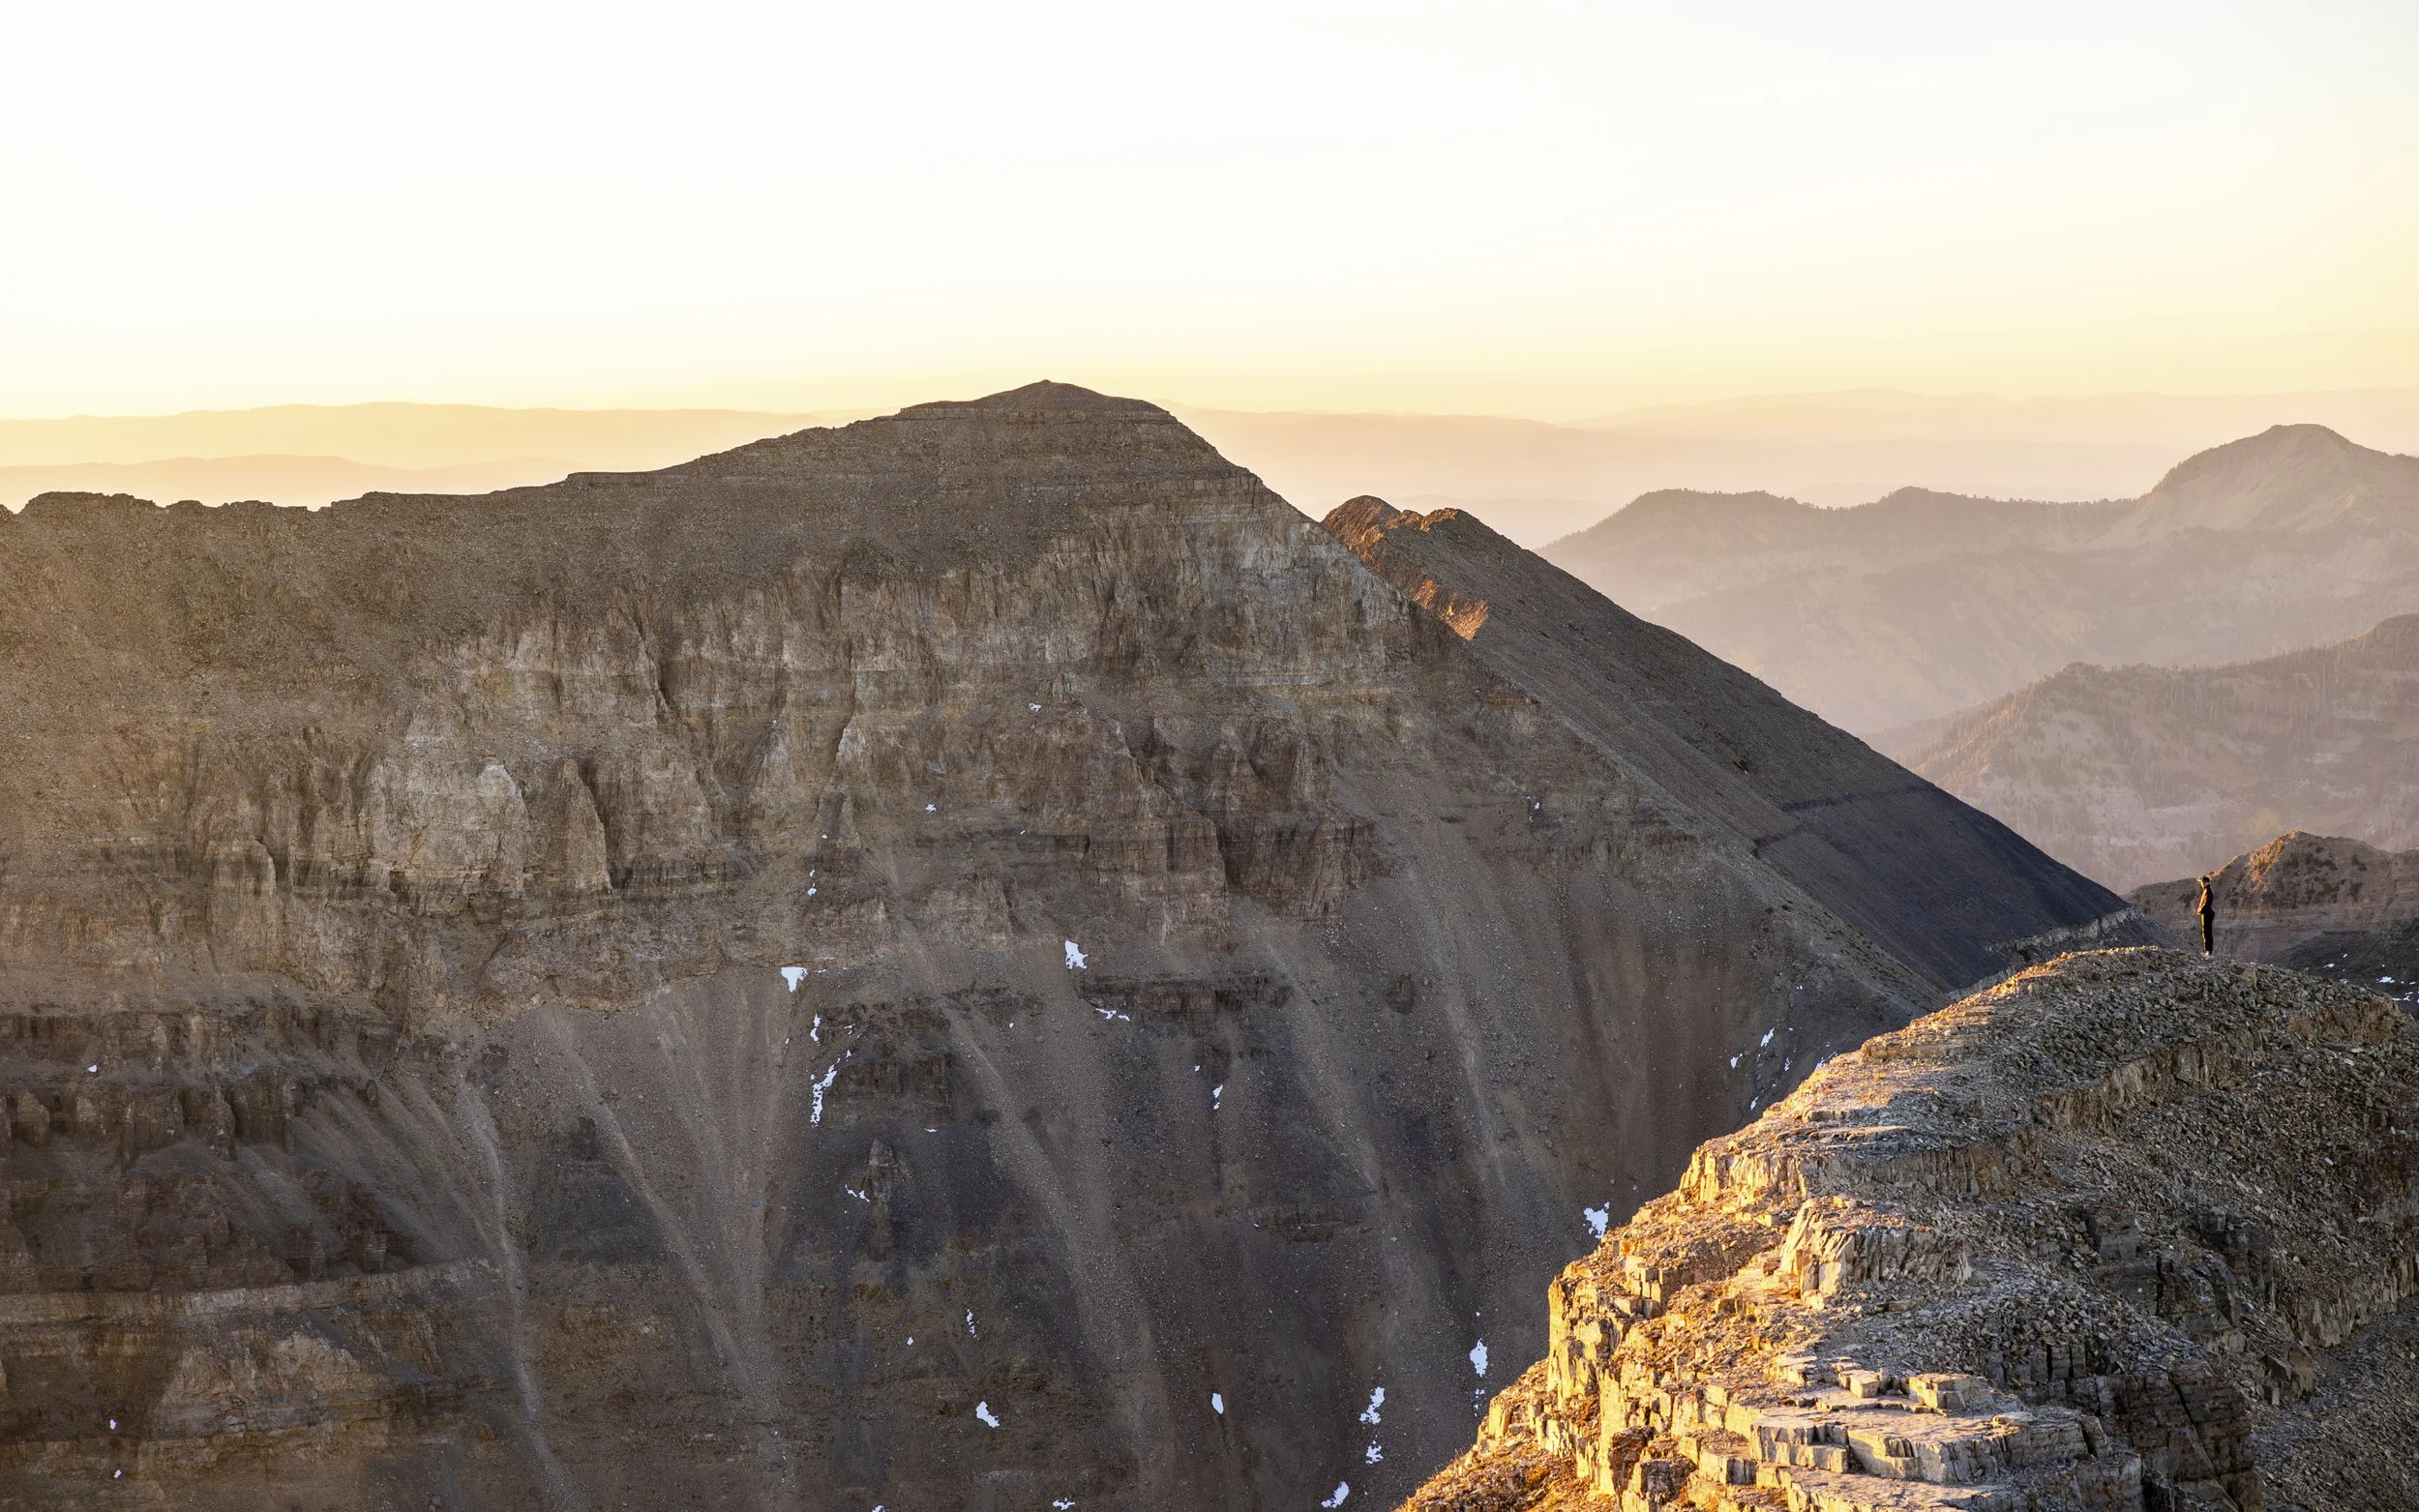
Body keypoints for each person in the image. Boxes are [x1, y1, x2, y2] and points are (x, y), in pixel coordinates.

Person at [2195, 874, 2217, 956]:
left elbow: (2207, 903)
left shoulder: (2208, 891)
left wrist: (2200, 910)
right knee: (2207, 931)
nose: (2202, 883)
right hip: (2207, 912)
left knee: (2207, 932)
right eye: (2202, 882)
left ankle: (2209, 950)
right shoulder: (2207, 890)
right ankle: (2208, 950)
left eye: (2203, 882)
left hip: (2207, 913)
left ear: (2206, 882)